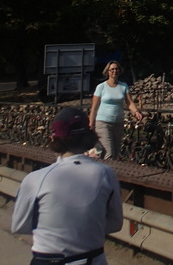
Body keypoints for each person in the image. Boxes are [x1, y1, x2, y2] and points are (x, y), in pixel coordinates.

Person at [12, 107, 123, 265]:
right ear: (89, 137)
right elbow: (115, 223)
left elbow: (19, 225)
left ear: (53, 138)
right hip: (93, 259)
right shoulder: (106, 174)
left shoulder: (36, 179)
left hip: (48, 260)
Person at [89, 61, 142, 160]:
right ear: (108, 72)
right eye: (112, 69)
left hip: (118, 122)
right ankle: (108, 174)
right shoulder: (101, 87)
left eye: (116, 69)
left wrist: (136, 112)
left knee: (116, 151)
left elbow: (129, 102)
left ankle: (108, 172)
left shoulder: (123, 86)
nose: (114, 71)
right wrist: (91, 122)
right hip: (103, 122)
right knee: (109, 153)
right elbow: (94, 107)